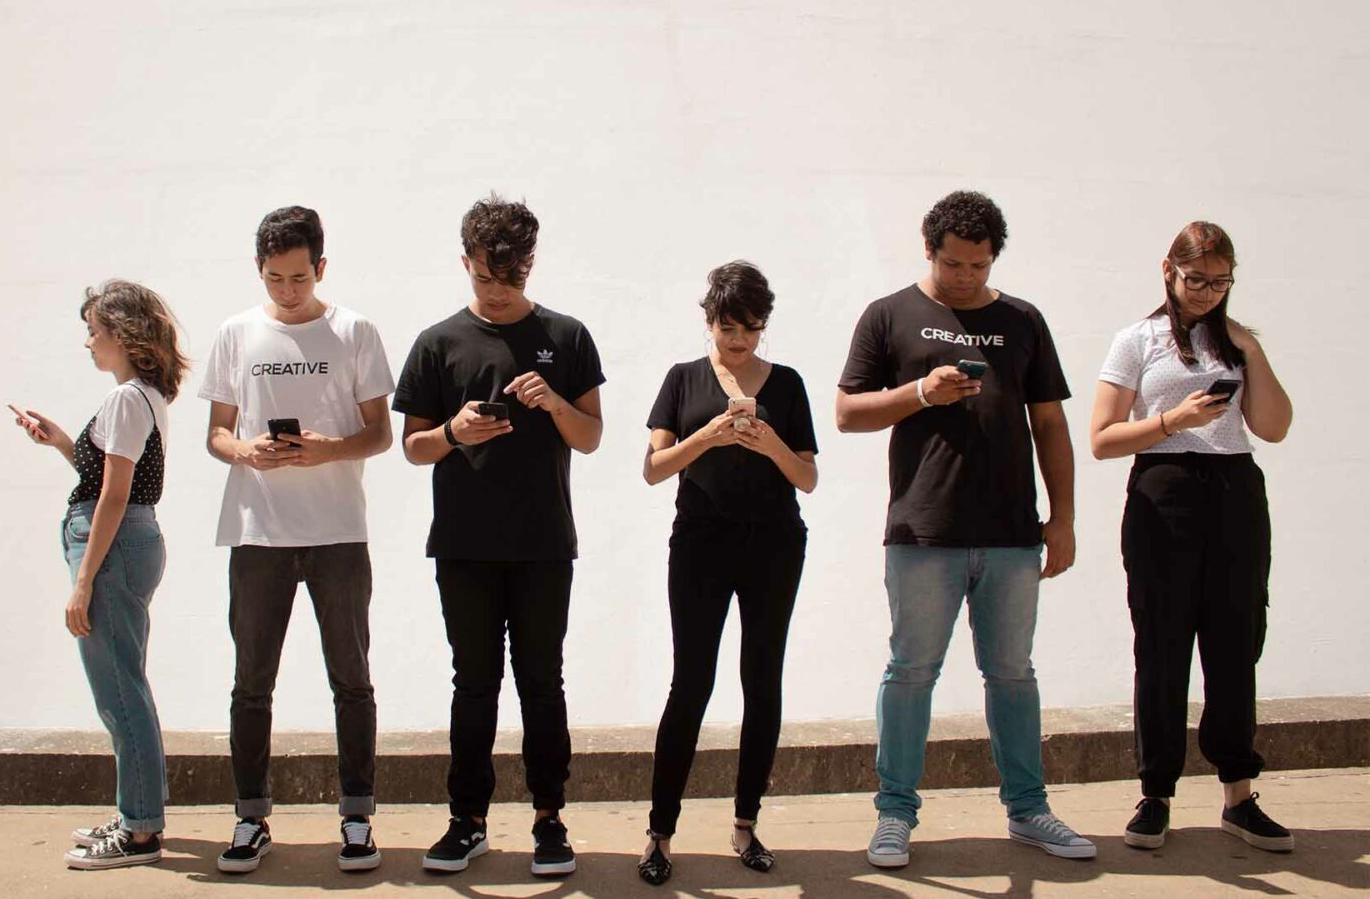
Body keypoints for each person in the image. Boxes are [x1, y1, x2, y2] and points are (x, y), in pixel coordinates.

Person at [835, 190, 1096, 867]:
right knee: (911, 672)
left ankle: (1029, 810)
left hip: (1012, 534)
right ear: (930, 250)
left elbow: (1051, 425)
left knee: (1013, 674)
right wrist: (922, 392)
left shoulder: (1023, 320)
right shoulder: (889, 315)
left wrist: (1062, 518)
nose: (966, 277)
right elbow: (847, 413)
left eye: (978, 265)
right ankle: (895, 816)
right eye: (954, 263)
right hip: (924, 532)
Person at [393, 194, 604, 878]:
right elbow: (413, 448)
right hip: (463, 544)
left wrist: (554, 402)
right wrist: (454, 432)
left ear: (530, 265)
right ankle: (468, 821)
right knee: (473, 684)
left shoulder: (568, 337)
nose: (497, 290)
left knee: (543, 683)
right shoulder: (437, 342)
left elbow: (593, 436)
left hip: (545, 543)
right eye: (485, 277)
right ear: (466, 262)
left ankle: (550, 819)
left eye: (509, 278)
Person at [199, 206, 395, 874]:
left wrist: (327, 451)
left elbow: (380, 434)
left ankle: (358, 818)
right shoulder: (235, 333)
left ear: (322, 267)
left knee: (352, 681)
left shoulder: (354, 330)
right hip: (258, 533)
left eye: (299, 276)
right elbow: (216, 434)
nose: (288, 289)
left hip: (339, 532)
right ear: (259, 269)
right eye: (275, 277)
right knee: (251, 683)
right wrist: (246, 451)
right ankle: (251, 818)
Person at [1090, 221, 1294, 852]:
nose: (1207, 292)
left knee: (1237, 642)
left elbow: (1274, 426)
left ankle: (1238, 793)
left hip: (1236, 491)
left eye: (1220, 281)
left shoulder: (1235, 341)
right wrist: (1173, 419)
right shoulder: (1137, 340)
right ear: (1168, 272)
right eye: (1196, 279)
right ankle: (1156, 793)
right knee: (1162, 641)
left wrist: (1249, 350)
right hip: (1164, 489)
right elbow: (1100, 438)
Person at [635, 262, 818, 886]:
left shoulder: (788, 385)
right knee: (691, 682)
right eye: (728, 327)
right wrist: (710, 434)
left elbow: (808, 477)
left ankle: (746, 824)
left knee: (762, 680)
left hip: (773, 545)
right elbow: (654, 468)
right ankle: (660, 832)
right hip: (700, 545)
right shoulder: (683, 380)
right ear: (707, 320)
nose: (740, 340)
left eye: (752, 328)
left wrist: (770, 444)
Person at [10, 279, 190, 870]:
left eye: (93, 330)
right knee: (124, 683)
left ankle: (140, 832)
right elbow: (115, 483)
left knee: (118, 690)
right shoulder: (144, 398)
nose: (88, 342)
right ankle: (138, 812)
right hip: (126, 541)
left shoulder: (125, 400)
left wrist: (83, 580)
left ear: (120, 333)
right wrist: (62, 441)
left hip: (111, 546)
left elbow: (114, 496)